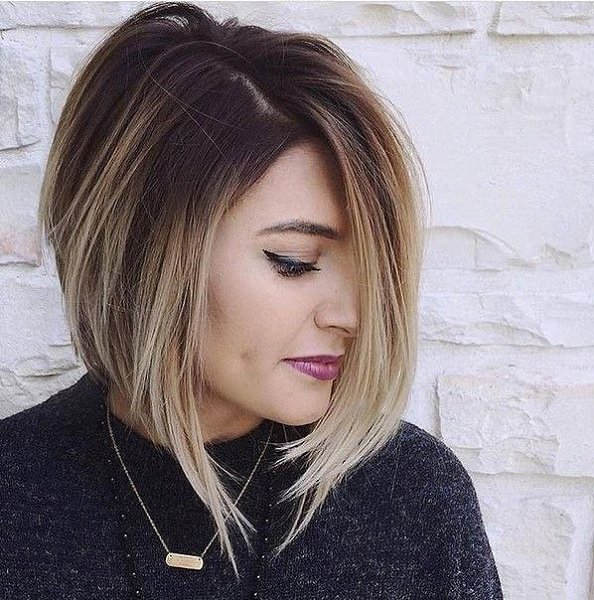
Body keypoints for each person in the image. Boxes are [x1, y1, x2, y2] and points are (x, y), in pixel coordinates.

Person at [0, 2, 503, 598]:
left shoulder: (412, 501)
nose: (352, 317)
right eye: (294, 261)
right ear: (141, 247)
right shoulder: (16, 498)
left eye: (371, 270)